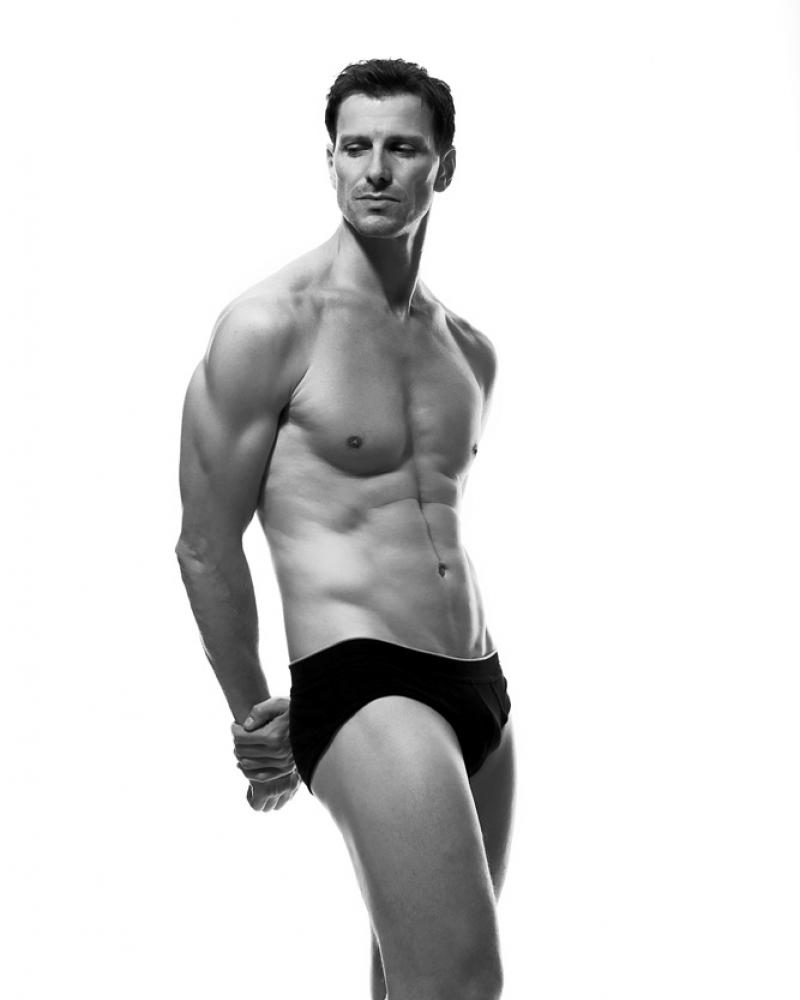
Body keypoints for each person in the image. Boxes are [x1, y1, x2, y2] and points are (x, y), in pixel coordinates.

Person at [175, 58, 516, 1000]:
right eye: (354, 147)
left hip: (479, 680)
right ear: (328, 160)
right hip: (365, 680)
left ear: (444, 166)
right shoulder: (270, 326)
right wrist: (256, 715)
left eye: (401, 148)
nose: (374, 168)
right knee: (460, 985)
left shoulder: (469, 351)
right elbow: (204, 542)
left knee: (414, 982)